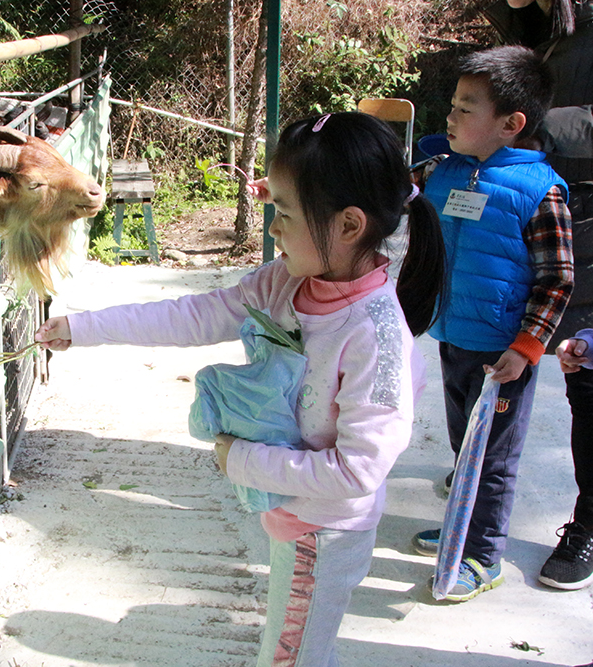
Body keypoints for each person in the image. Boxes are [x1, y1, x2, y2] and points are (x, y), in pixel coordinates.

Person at [36, 112, 447, 667]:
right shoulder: (286, 282)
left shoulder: (376, 337)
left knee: (290, 657)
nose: (273, 228)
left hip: (326, 531)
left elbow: (358, 471)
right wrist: (84, 328)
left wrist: (242, 461)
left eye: (286, 213)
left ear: (349, 226)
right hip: (293, 518)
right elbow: (195, 315)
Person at [410, 45, 574, 602]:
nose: (450, 117)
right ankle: (461, 530)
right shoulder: (442, 171)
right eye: (453, 105)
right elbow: (381, 191)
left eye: (465, 108)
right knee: (465, 447)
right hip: (453, 335)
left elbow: (557, 280)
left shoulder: (539, 190)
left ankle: (482, 555)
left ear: (511, 123)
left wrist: (527, 347)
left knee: (494, 459)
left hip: (502, 354)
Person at [484, 0, 593, 594]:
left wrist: (538, 126)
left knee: (588, 383)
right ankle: (481, 482)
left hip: (585, 219)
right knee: (502, 355)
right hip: (533, 208)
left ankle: (589, 523)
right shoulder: (544, 22)